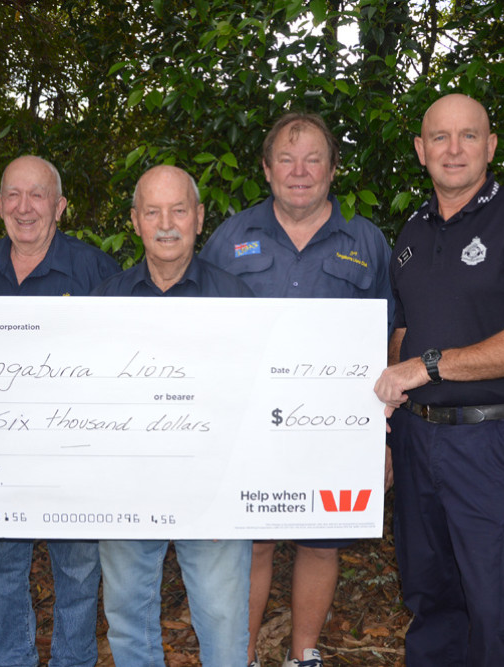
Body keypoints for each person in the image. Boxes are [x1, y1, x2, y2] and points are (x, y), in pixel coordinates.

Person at [372, 93, 504, 667]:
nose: (453, 149)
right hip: (417, 441)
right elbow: (403, 333)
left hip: (488, 444)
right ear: (420, 150)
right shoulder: (411, 232)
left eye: (469, 136)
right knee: (429, 597)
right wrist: (387, 430)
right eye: (439, 137)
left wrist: (428, 366)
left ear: (490, 146)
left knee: (493, 606)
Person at [200, 113, 395, 667]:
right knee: (253, 540)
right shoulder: (230, 237)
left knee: (321, 538)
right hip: (247, 425)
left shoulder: (367, 241)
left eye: (313, 159)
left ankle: (303, 655)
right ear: (265, 169)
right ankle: (241, 656)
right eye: (286, 159)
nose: (300, 171)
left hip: (335, 426)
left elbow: (390, 339)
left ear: (334, 169)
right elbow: (202, 333)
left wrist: (382, 433)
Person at [92, 164, 255, 667]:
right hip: (126, 486)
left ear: (199, 218)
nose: (167, 223)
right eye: (153, 211)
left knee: (224, 620)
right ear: (135, 221)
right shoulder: (104, 301)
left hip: (213, 489)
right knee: (126, 615)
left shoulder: (238, 300)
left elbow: (254, 398)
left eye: (179, 210)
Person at [0, 155, 120, 667]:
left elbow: (125, 357)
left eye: (37, 196)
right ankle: (13, 659)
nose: (24, 207)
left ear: (60, 206)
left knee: (77, 569)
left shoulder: (94, 269)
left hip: (74, 453)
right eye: (13, 194)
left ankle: (74, 661)